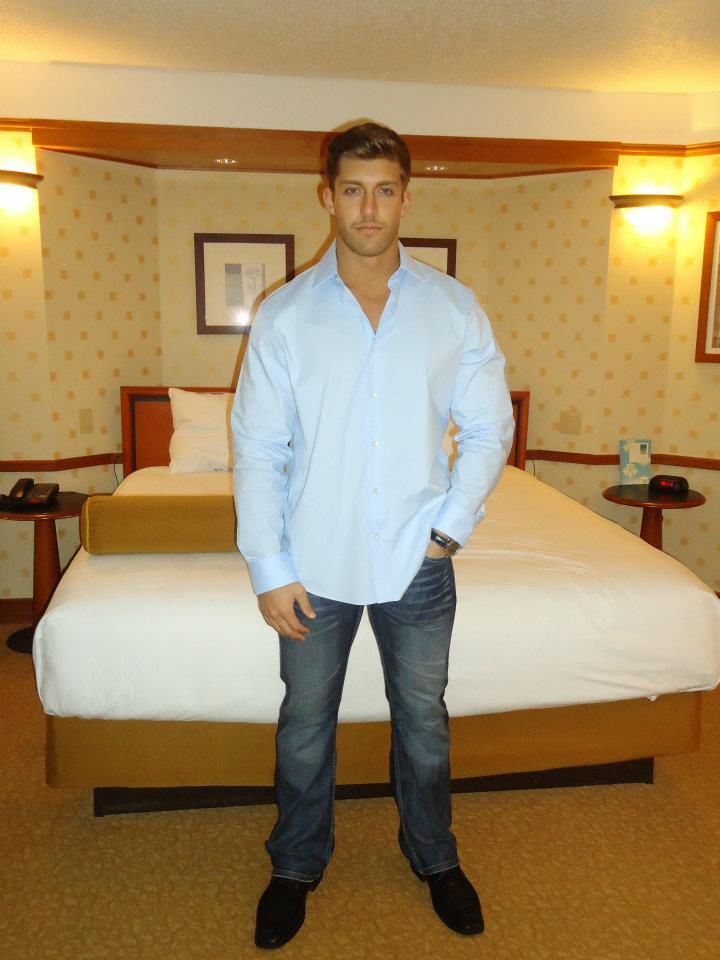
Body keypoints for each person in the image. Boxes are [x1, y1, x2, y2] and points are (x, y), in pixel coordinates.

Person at [231, 122, 514, 950]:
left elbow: (488, 429)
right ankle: (295, 865)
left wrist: (450, 530)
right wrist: (269, 566)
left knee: (423, 721)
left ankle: (435, 856)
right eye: (352, 190)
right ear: (328, 196)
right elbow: (258, 448)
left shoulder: (454, 309)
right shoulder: (286, 317)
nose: (368, 208)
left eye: (384, 190)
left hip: (418, 561)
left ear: (405, 198)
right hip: (312, 563)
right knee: (305, 724)